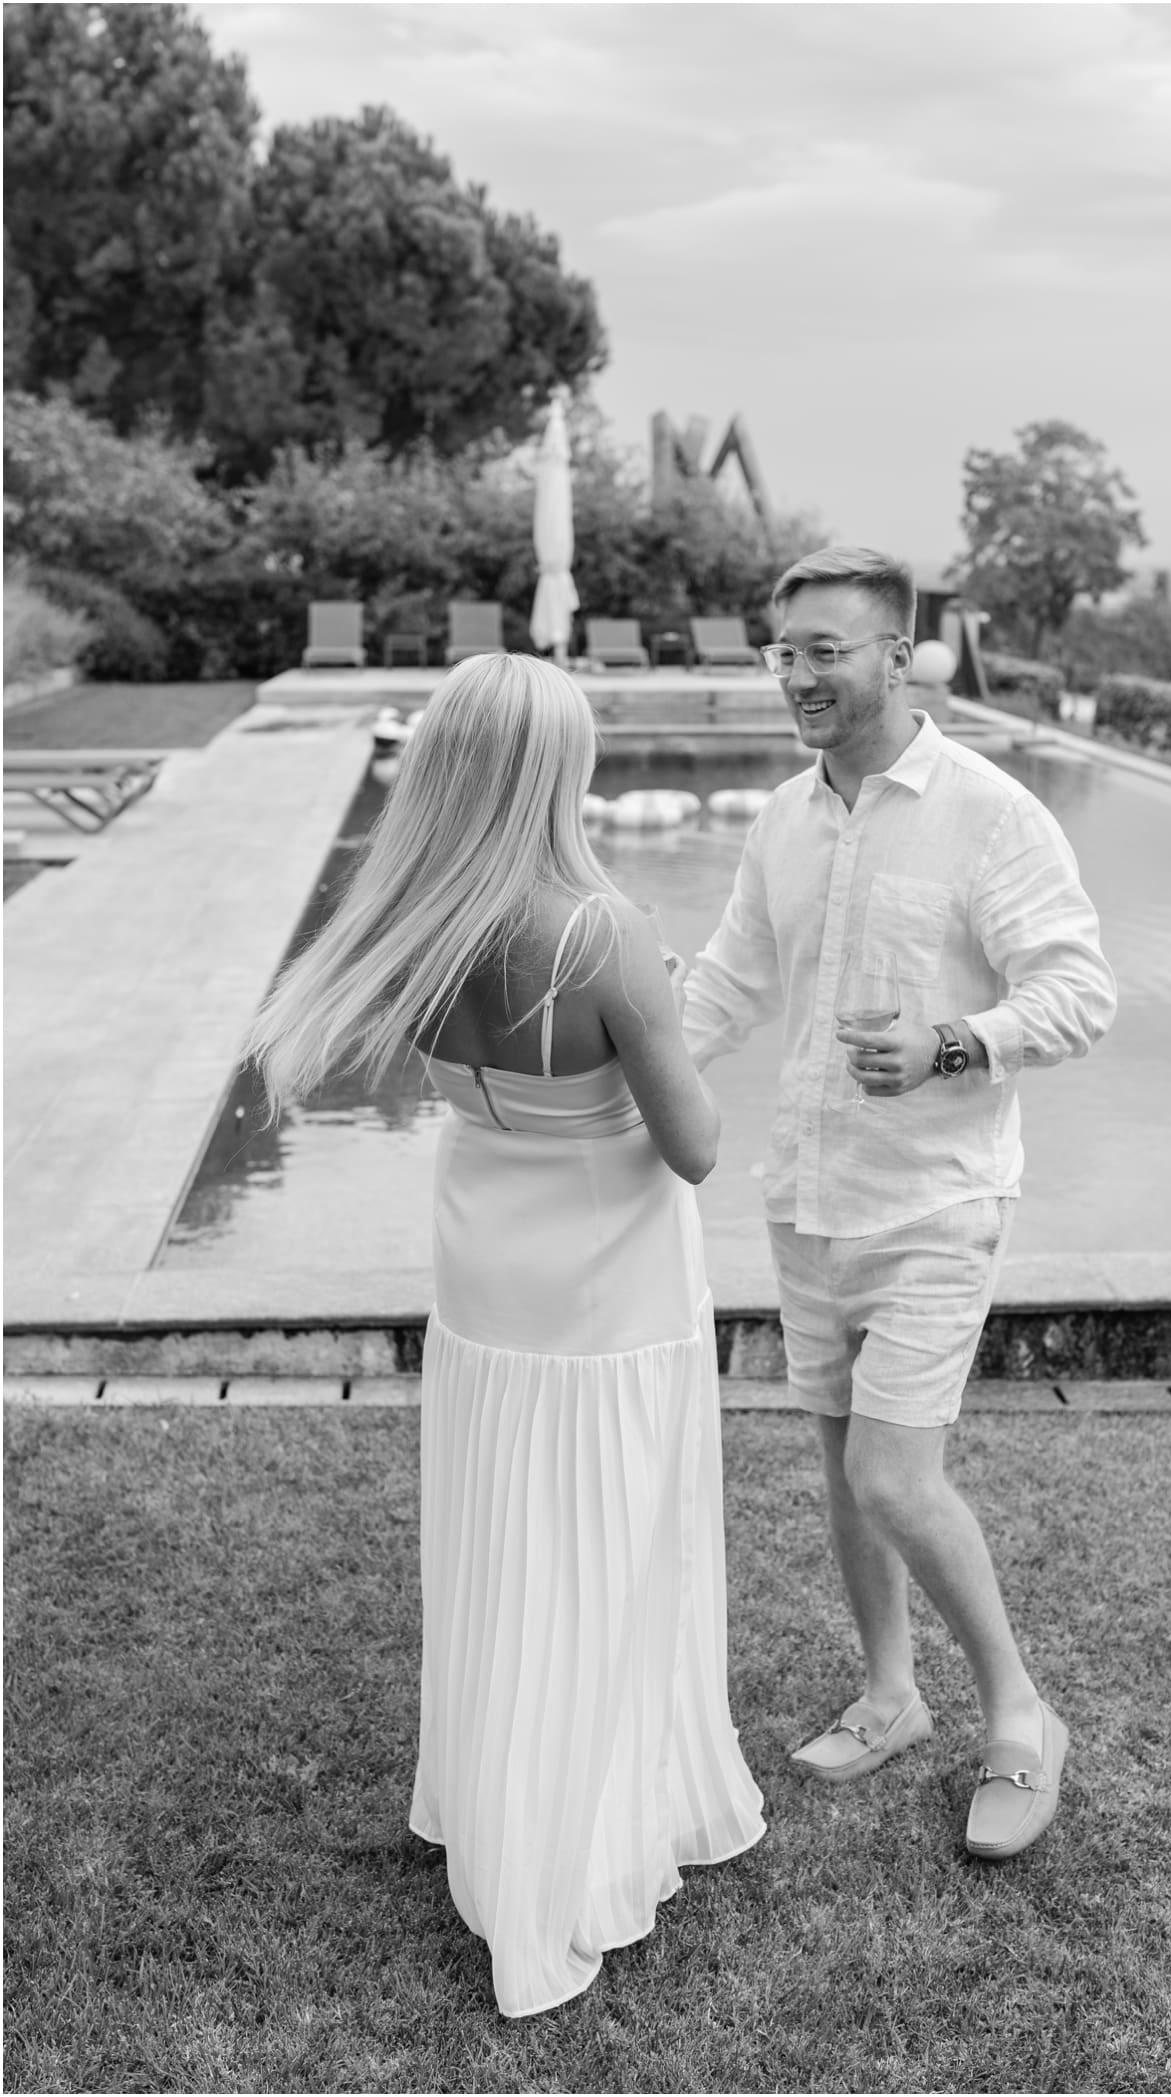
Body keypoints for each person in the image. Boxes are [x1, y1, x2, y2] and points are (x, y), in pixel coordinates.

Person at [247, 653, 764, 2016]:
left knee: (507, 1552)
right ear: (556, 768)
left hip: (486, 1298)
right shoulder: (598, 931)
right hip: (608, 1308)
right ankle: (569, 1853)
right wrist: (682, 1010)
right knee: (601, 1559)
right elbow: (694, 1148)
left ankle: (496, 1806)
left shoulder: (411, 922)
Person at [681, 545, 1116, 1860]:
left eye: (826, 649)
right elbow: (724, 984)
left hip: (935, 1202)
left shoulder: (989, 813)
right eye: (784, 650)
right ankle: (889, 1694)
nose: (800, 674)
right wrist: (615, 1072)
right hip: (806, 1199)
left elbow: (1080, 993)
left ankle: (1022, 1714)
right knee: (838, 1461)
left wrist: (952, 1042)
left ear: (900, 654)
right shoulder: (781, 818)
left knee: (891, 1469)